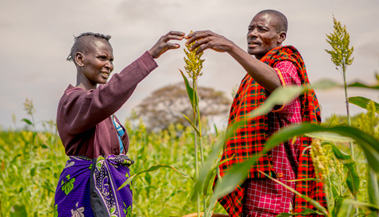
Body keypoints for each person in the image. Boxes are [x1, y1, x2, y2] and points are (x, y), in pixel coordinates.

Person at [187, 10, 326, 217]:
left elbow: (282, 89)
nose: (253, 33)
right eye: (250, 28)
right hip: (252, 182)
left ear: (281, 37)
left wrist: (230, 47)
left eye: (262, 29)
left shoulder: (286, 63)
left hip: (275, 187)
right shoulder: (255, 73)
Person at [54, 31, 185, 217]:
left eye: (111, 60)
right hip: (85, 193)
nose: (109, 65)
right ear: (80, 59)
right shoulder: (74, 102)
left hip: (108, 192)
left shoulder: (98, 108)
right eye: (102, 58)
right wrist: (149, 58)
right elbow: (106, 96)